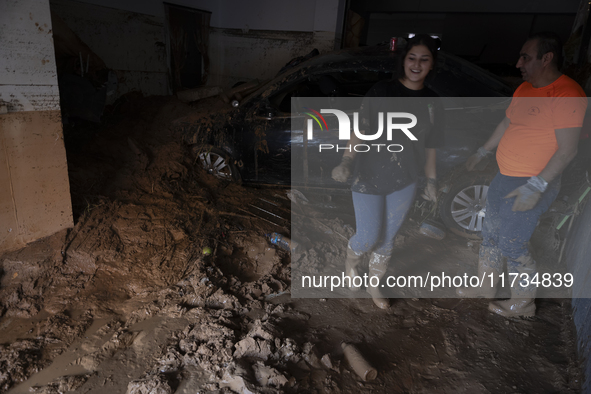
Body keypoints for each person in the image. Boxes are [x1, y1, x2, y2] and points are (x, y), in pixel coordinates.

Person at [456, 32, 587, 317]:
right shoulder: (525, 89)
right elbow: (507, 122)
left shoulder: (568, 94)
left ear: (547, 58)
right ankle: (485, 286)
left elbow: (567, 150)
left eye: (526, 57)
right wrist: (482, 151)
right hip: (505, 175)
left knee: (512, 241)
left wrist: (536, 186)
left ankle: (523, 303)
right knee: (489, 232)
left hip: (533, 182)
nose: (518, 63)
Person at [331, 34, 444, 309]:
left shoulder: (433, 103)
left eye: (424, 59)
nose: (417, 64)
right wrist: (347, 160)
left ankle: (374, 283)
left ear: (431, 65)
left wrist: (431, 180)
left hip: (404, 179)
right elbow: (360, 127)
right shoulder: (382, 91)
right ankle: (352, 263)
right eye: (412, 58)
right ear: (403, 61)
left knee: (389, 237)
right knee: (368, 235)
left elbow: (431, 147)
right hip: (368, 175)